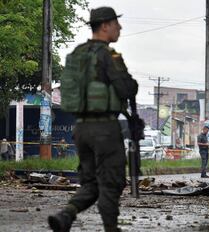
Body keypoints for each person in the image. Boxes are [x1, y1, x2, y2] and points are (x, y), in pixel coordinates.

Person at [48, 7, 138, 232]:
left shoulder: (77, 54)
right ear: (105, 25)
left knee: (91, 183)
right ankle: (111, 228)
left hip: (81, 129)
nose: (120, 28)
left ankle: (66, 215)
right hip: (104, 128)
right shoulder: (109, 56)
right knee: (111, 181)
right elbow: (126, 88)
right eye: (116, 23)